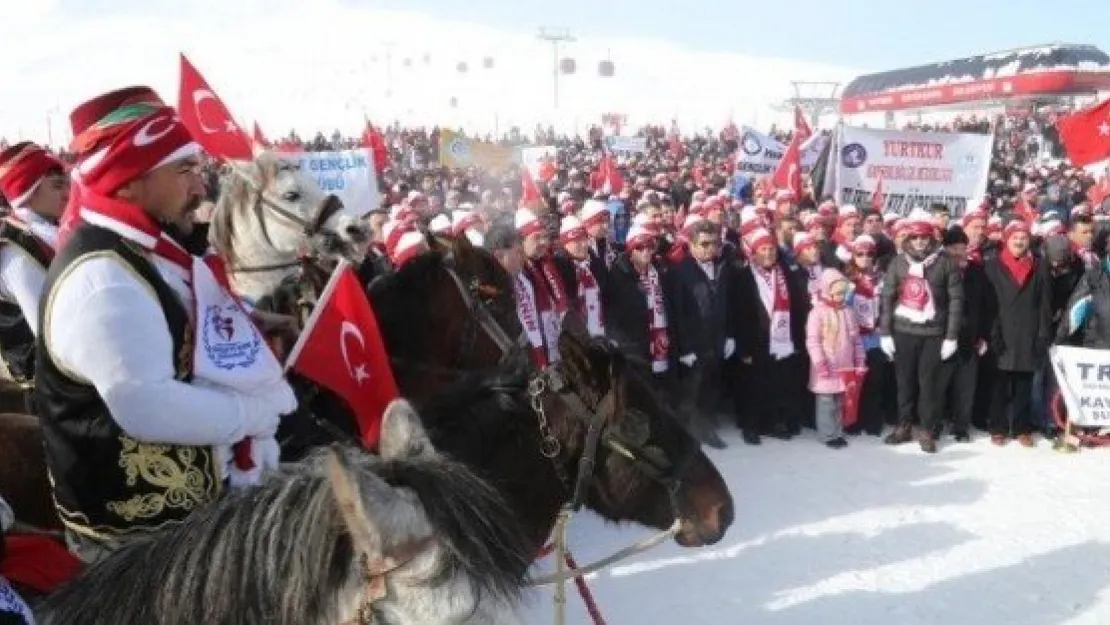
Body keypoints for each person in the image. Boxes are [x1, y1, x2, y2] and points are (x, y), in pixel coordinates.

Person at [35, 88, 297, 564]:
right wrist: (259, 412)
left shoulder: (142, 249)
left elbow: (169, 325)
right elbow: (147, 406)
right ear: (128, 183)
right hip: (141, 543)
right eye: (185, 170)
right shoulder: (102, 279)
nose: (201, 187)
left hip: (192, 504)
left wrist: (248, 323)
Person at [879, 211, 963, 453]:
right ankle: (903, 426)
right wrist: (885, 332)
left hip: (933, 333)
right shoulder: (899, 262)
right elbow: (887, 297)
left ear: (931, 239)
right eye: (915, 238)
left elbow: (956, 300)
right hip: (904, 331)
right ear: (908, 240)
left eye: (924, 238)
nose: (919, 242)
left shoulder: (945, 262)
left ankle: (927, 429)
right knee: (904, 382)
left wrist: (951, 336)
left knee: (929, 385)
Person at [0, 142, 68, 391]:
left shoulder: (49, 231)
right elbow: (49, 332)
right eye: (57, 186)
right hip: (46, 383)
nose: (67, 193)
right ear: (29, 192)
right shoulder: (17, 251)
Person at [733, 228, 809, 444]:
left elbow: (797, 308)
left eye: (771, 249)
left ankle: (771, 423)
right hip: (754, 339)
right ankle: (750, 426)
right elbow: (739, 313)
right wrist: (743, 347)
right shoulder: (744, 276)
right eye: (763, 249)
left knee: (776, 384)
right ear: (754, 253)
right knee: (752, 385)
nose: (768, 253)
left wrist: (795, 338)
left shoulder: (785, 275)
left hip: (781, 339)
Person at [982, 220, 1052, 447]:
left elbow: (1045, 303)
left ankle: (1022, 427)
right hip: (1001, 330)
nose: (1020, 241)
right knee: (999, 383)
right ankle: (998, 426)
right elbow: (988, 303)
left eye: (1023, 238)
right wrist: (993, 333)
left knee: (1024, 383)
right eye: (1015, 238)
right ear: (1006, 239)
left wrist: (1043, 334)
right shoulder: (992, 265)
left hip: (1028, 332)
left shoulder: (1039, 265)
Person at [668, 219, 735, 449]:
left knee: (711, 386)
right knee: (692, 392)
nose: (709, 249)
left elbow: (727, 304)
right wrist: (683, 349)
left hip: (716, 340)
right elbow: (676, 312)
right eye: (704, 244)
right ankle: (696, 433)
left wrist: (729, 336)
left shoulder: (722, 268)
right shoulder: (680, 272)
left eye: (714, 244)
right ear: (692, 245)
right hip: (693, 343)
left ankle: (705, 424)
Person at [938, 227, 992, 442]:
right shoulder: (937, 269)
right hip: (942, 335)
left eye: (963, 247)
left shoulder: (976, 271)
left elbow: (986, 305)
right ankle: (935, 422)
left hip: (970, 335)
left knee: (965, 385)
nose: (960, 252)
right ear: (946, 248)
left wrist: (983, 335)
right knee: (939, 384)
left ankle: (961, 425)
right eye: (955, 248)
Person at [805, 268, 865, 449]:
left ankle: (838, 432)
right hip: (826, 366)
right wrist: (819, 362)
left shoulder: (848, 311)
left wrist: (860, 361)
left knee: (840, 401)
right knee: (826, 402)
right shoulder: (817, 313)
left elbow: (856, 339)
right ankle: (827, 434)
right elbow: (813, 341)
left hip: (845, 366)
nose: (841, 297)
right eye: (837, 293)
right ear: (826, 291)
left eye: (843, 293)